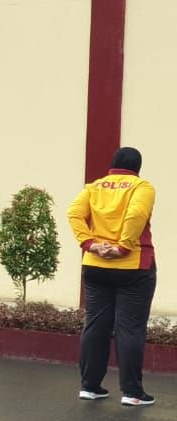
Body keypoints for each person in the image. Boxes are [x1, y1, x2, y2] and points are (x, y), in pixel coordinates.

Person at [67, 147, 157, 407]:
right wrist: (123, 247)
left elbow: (74, 213)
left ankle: (90, 387)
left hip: (95, 264)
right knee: (130, 328)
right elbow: (136, 214)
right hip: (133, 265)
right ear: (137, 167)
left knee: (95, 324)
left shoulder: (93, 187)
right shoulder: (142, 187)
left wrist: (91, 244)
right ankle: (132, 392)